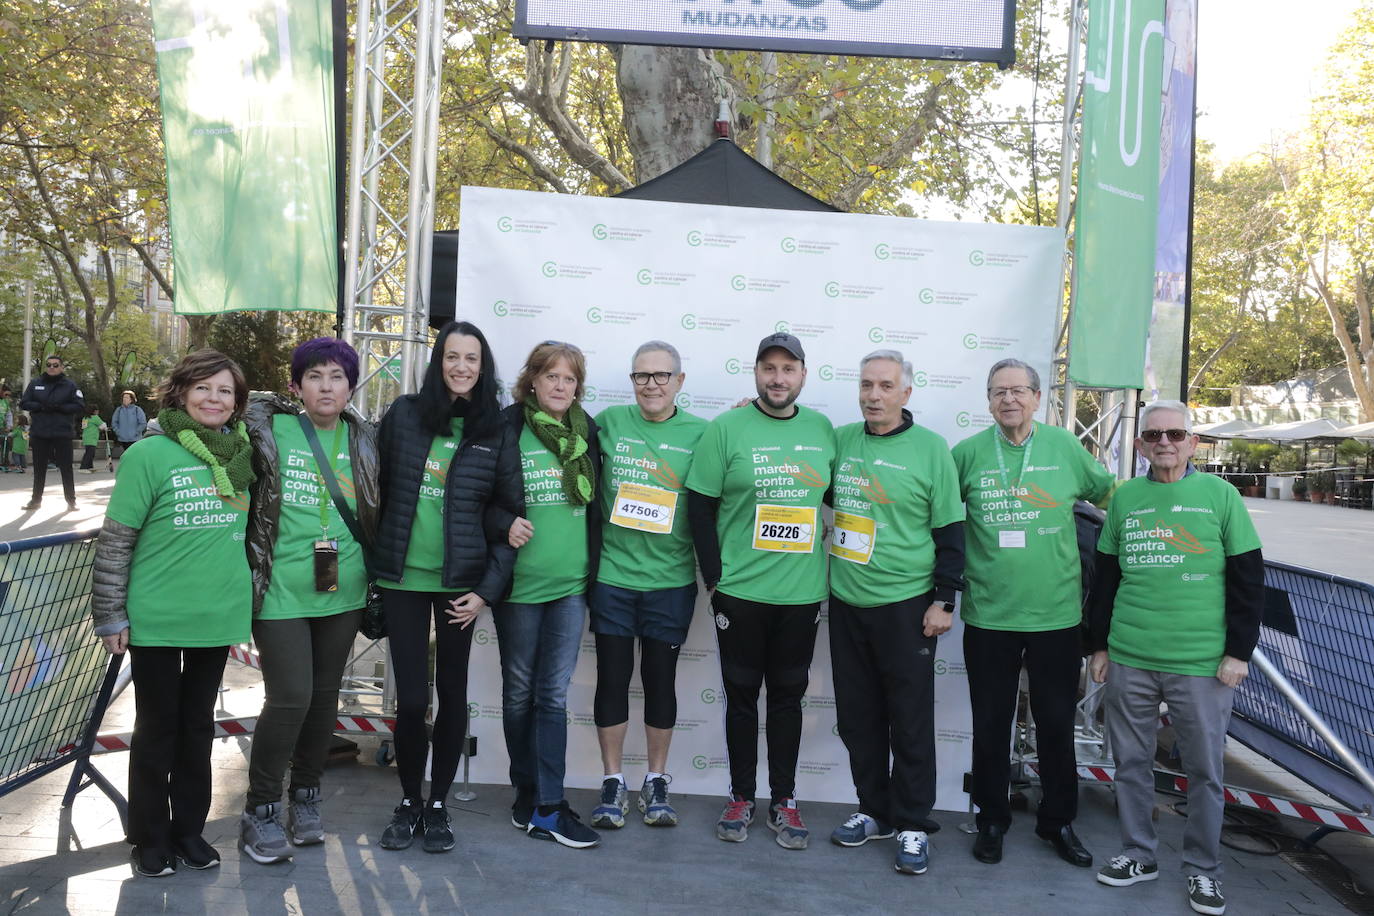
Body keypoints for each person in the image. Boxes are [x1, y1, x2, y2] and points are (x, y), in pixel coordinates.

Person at [1089, 400, 1263, 916]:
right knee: (1131, 763)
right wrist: (1098, 645)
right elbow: (1106, 579)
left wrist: (1238, 653)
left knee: (1205, 771)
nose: (1165, 442)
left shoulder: (1220, 495)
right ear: (1140, 443)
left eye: (1176, 433)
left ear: (1193, 441)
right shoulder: (1126, 499)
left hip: (1202, 663)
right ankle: (1138, 853)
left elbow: (1249, 581)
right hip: (1130, 656)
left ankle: (1203, 871)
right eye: (1154, 435)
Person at [89, 349, 254, 878]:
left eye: (225, 390)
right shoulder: (149, 455)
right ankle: (149, 837)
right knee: (156, 729)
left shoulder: (242, 453)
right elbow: (116, 543)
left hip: (216, 616)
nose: (214, 398)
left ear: (237, 403)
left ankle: (189, 831)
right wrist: (111, 614)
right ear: (180, 392)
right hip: (156, 617)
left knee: (197, 730)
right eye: (203, 388)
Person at [950, 358, 1115, 867]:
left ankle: (1058, 822)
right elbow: (937, 514)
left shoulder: (1065, 446)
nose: (1009, 400)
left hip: (1057, 619)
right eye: (998, 392)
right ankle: (991, 820)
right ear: (988, 400)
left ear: (1037, 398)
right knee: (991, 725)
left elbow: (1109, 494)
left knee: (1056, 725)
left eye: (1018, 391)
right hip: (989, 616)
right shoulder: (968, 454)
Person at [372, 321, 523, 854]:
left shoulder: (495, 428)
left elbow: (509, 514)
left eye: (472, 359)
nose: (461, 367)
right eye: (452, 357)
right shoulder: (405, 414)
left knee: (453, 693)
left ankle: (437, 805)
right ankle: (409, 800)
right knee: (412, 701)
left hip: (461, 587)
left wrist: (486, 591)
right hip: (403, 580)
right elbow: (373, 486)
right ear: (439, 361)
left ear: (484, 368)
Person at [686, 331, 835, 850]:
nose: (777, 378)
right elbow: (700, 506)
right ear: (755, 373)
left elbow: (843, 497)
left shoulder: (823, 431)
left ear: (802, 376)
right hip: (741, 593)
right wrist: (715, 580)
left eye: (787, 369)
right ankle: (742, 796)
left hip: (800, 595)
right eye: (768, 368)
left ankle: (786, 801)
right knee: (743, 697)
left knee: (789, 699)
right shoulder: (727, 427)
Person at [238, 338, 380, 864]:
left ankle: (306, 798)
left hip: (343, 590)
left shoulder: (366, 438)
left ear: (350, 386)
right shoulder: (269, 428)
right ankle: (259, 809)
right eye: (314, 375)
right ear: (296, 386)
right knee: (291, 696)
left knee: (323, 697)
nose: (326, 385)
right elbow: (199, 417)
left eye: (337, 376)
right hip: (279, 588)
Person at [826, 350, 965, 876]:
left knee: (908, 720)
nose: (874, 395)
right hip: (847, 601)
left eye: (885, 386)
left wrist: (944, 599)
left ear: (906, 394)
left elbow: (951, 532)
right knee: (858, 718)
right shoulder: (840, 439)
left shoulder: (932, 450)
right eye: (866, 385)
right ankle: (873, 810)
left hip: (908, 606)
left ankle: (910, 822)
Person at [588, 341, 707, 830]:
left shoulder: (703, 433)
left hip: (672, 583)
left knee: (661, 682)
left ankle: (657, 780)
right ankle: (613, 781)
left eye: (661, 376)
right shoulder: (608, 423)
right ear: (631, 381)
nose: (651, 384)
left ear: (680, 381)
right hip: (613, 578)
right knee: (612, 680)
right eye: (641, 376)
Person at [497, 340, 603, 849]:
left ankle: (548, 802)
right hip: (518, 587)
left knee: (551, 694)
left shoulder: (588, 432)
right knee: (519, 694)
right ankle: (527, 791)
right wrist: (503, 522)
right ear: (532, 380)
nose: (561, 386)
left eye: (569, 378)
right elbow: (477, 496)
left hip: (570, 588)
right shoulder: (507, 426)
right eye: (551, 377)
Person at [20, 354, 84, 510]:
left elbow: (79, 405)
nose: (51, 368)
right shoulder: (35, 383)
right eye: (49, 365)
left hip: (62, 433)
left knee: (66, 469)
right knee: (39, 469)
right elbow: (24, 403)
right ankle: (35, 500)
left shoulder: (70, 385)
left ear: (61, 367)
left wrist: (60, 407)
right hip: (40, 433)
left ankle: (71, 501)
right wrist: (40, 407)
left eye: (55, 365)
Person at [112, 390, 149, 457]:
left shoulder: (137, 410)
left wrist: (136, 432)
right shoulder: (119, 410)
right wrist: (118, 432)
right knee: (127, 456)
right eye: (123, 397)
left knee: (135, 456)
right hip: (123, 439)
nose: (124, 399)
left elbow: (143, 423)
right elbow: (114, 423)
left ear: (131, 399)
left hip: (135, 439)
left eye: (126, 397)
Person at [79, 405, 106, 472]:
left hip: (86, 438)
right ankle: (83, 467)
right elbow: (103, 425)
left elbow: (84, 427)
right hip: (92, 438)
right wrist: (104, 428)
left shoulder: (85, 418)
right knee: (90, 453)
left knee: (89, 452)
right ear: (94, 411)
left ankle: (90, 466)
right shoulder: (95, 418)